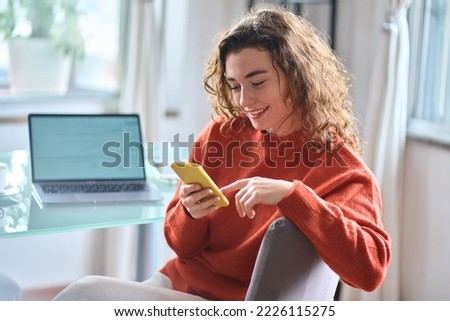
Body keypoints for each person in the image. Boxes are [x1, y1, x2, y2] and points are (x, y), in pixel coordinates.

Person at [53, 5, 391, 301]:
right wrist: (190, 214)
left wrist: (293, 195)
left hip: (228, 303)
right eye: (235, 86)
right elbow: (180, 246)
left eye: (257, 83)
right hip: (178, 285)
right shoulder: (223, 133)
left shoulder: (341, 169)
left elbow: (370, 271)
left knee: (83, 295)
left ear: (299, 77)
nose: (244, 101)